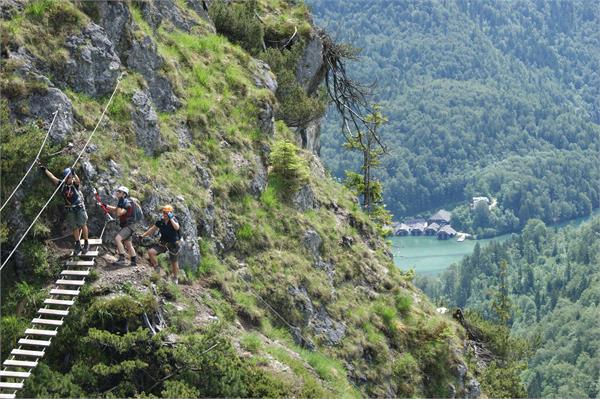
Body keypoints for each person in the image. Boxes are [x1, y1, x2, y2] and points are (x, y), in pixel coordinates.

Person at [39, 166, 90, 255]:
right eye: (70, 177)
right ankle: (78, 244)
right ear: (66, 178)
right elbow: (52, 177)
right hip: (70, 209)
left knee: (83, 224)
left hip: (79, 207)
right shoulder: (61, 185)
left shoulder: (74, 184)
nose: (72, 178)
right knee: (74, 227)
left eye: (71, 177)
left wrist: (74, 173)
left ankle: (86, 242)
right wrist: (45, 170)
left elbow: (78, 181)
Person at [140, 205, 181, 283]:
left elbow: (177, 227)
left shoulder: (174, 220)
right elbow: (152, 230)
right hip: (164, 242)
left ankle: (175, 277)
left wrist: (171, 218)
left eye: (167, 213)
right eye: (164, 212)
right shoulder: (160, 221)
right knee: (151, 252)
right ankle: (157, 268)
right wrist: (143, 235)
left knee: (174, 262)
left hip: (173, 244)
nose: (165, 214)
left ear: (170, 213)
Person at [106, 186, 137, 266]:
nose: (117, 192)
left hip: (129, 226)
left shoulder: (126, 203)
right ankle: (134, 261)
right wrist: (106, 206)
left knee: (118, 238)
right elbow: (116, 209)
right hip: (129, 225)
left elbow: (119, 213)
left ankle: (122, 259)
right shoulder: (124, 201)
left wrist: (119, 205)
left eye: (119, 192)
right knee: (128, 243)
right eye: (117, 191)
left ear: (124, 194)